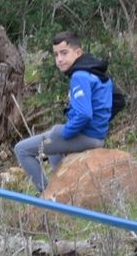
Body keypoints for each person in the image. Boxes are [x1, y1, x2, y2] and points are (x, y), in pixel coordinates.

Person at [13, 31, 114, 193]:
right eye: (56, 54)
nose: (59, 59)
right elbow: (118, 100)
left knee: (22, 149)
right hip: (97, 135)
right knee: (54, 143)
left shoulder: (79, 76)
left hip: (87, 137)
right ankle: (62, 189)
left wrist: (67, 132)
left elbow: (84, 114)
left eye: (64, 53)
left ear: (78, 53)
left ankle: (47, 195)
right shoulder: (98, 72)